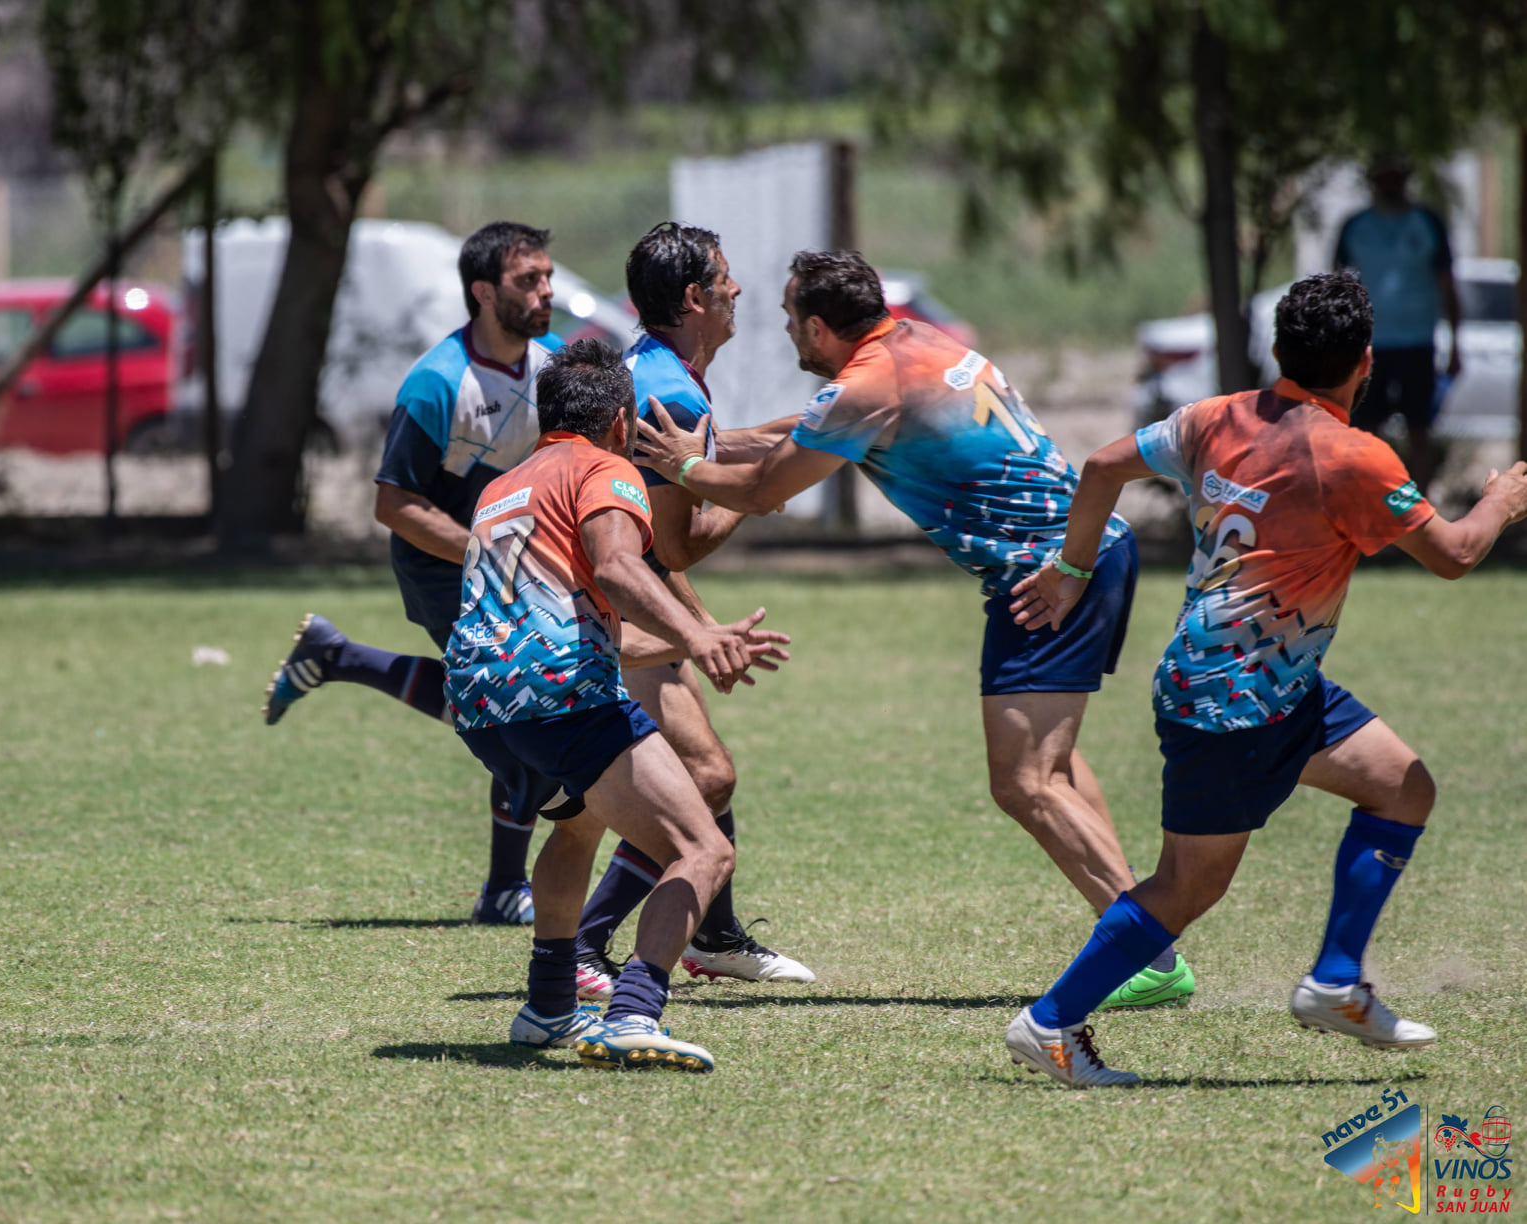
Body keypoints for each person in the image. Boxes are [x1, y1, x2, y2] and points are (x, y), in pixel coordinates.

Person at [1000, 271, 1527, 1088]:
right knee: (1186, 885)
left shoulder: (1216, 416)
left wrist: (1071, 567)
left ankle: (1334, 983)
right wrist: (1500, 499)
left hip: (1271, 685)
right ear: (1363, 362)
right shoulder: (1352, 456)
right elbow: (1456, 554)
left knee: (1401, 786)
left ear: (1278, 351)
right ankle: (1050, 1021)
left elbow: (1101, 465)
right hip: (1231, 702)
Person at [637, 248, 1192, 1011]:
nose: (785, 330)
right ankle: (1134, 932)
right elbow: (802, 429)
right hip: (1085, 551)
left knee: (1024, 781)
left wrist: (687, 467)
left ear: (821, 327)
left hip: (1050, 575)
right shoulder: (917, 347)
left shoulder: (865, 387)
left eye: (791, 318)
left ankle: (1147, 950)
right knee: (1051, 768)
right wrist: (710, 440)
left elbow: (766, 491)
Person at [446, 337, 772, 1071]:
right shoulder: (607, 469)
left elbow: (564, 625)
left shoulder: (504, 489)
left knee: (578, 827)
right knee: (702, 847)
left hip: (479, 699)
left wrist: (700, 640)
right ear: (620, 422)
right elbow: (619, 564)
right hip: (563, 696)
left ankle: (550, 1004)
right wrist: (694, 627)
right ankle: (631, 1012)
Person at [262, 221, 561, 926]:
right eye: (528, 280)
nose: (545, 291)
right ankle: (501, 889)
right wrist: (487, 556)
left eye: (548, 277)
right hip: (444, 573)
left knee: (521, 723)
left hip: (522, 576)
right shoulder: (436, 384)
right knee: (523, 725)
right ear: (483, 291)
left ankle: (338, 657)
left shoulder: (550, 369)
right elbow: (393, 504)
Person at [572, 222, 812, 998]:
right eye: (725, 278)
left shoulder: (659, 370)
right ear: (693, 297)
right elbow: (675, 545)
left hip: (629, 605)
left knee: (695, 776)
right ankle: (585, 944)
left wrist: (799, 435)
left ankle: (711, 934)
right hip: (610, 610)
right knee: (702, 777)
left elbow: (702, 456)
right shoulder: (668, 387)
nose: (737, 290)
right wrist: (757, 495)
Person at [1333, 156, 1461, 493]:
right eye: (1383, 178)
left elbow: (1448, 283)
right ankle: (1365, 510)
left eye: (1396, 177)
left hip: (1418, 342)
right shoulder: (1355, 226)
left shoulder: (1427, 222)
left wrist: (1457, 342)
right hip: (1368, 345)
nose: (1390, 185)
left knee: (1420, 429)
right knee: (1364, 430)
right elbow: (1337, 285)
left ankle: (1420, 516)